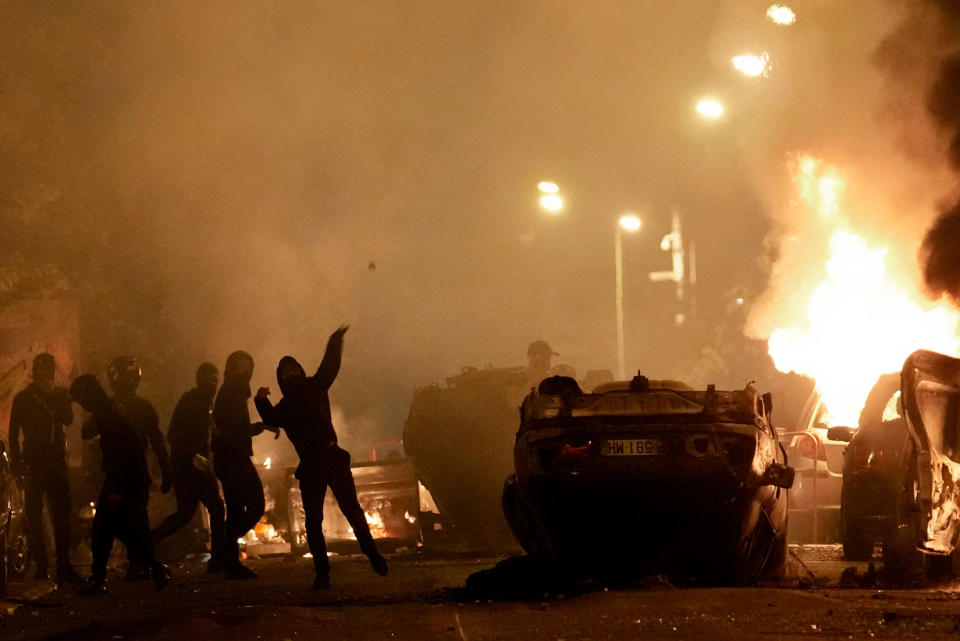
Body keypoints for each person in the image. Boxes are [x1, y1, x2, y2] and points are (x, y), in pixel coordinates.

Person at [254, 325, 388, 590]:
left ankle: (372, 554)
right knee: (314, 521)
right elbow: (270, 418)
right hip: (312, 465)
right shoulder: (284, 406)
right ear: (281, 379)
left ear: (300, 372)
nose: (289, 374)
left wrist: (335, 340)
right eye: (284, 372)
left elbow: (330, 364)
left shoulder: (316, 386)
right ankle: (322, 573)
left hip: (331, 457)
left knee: (352, 511)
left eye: (292, 369)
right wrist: (260, 400)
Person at [70, 374, 169, 593]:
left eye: (81, 399)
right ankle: (154, 568)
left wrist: (116, 488)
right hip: (130, 476)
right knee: (121, 530)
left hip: (124, 477)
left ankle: (100, 579)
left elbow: (121, 450)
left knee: (104, 529)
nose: (82, 405)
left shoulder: (108, 412)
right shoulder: (109, 408)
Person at [7, 353, 82, 585]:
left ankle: (60, 565)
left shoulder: (57, 395)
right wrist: (18, 462)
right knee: (34, 515)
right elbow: (13, 432)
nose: (44, 373)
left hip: (52, 462)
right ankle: (43, 565)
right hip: (38, 463)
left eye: (46, 369)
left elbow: (67, 419)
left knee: (59, 514)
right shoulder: (24, 398)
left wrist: (52, 397)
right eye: (42, 369)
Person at [151, 363, 226, 572]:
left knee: (185, 514)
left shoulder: (206, 403)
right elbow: (173, 435)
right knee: (215, 508)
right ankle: (218, 558)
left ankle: (147, 542)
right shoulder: (191, 401)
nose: (214, 383)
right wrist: (193, 456)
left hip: (194, 466)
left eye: (216, 379)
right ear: (200, 380)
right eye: (211, 379)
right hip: (188, 467)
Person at [106, 356, 172, 581]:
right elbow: (157, 441)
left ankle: (138, 564)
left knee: (123, 520)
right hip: (133, 471)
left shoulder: (112, 406)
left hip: (120, 472)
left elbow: (89, 433)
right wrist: (166, 469)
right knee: (136, 519)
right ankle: (141, 563)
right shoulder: (141, 406)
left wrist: (166, 469)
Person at [212, 350, 275, 579]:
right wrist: (262, 426)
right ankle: (225, 554)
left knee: (237, 512)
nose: (245, 371)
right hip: (233, 459)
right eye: (240, 367)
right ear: (231, 369)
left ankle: (228, 559)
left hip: (232, 458)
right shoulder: (230, 393)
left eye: (248, 367)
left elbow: (235, 430)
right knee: (255, 505)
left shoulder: (235, 392)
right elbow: (234, 431)